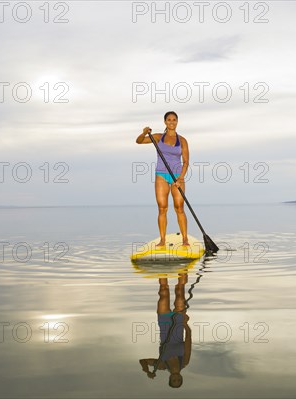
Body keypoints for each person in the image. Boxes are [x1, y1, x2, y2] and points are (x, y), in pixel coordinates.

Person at [136, 111, 190, 247]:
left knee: (179, 207)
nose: (171, 122)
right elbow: (139, 141)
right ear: (165, 122)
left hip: (178, 176)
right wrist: (144, 133)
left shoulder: (182, 140)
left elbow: (186, 162)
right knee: (162, 208)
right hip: (161, 174)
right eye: (169, 120)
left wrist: (180, 178)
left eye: (174, 120)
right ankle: (162, 240)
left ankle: (185, 240)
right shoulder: (158, 137)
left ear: (177, 122)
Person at [139, 274, 192, 388]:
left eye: (174, 380)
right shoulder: (185, 361)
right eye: (179, 380)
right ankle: (183, 269)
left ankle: (162, 269)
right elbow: (188, 338)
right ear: (181, 378)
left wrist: (147, 371)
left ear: (170, 378)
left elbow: (143, 361)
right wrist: (185, 323)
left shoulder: (161, 365)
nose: (176, 378)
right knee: (180, 291)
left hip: (163, 322)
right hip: (178, 322)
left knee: (163, 292)